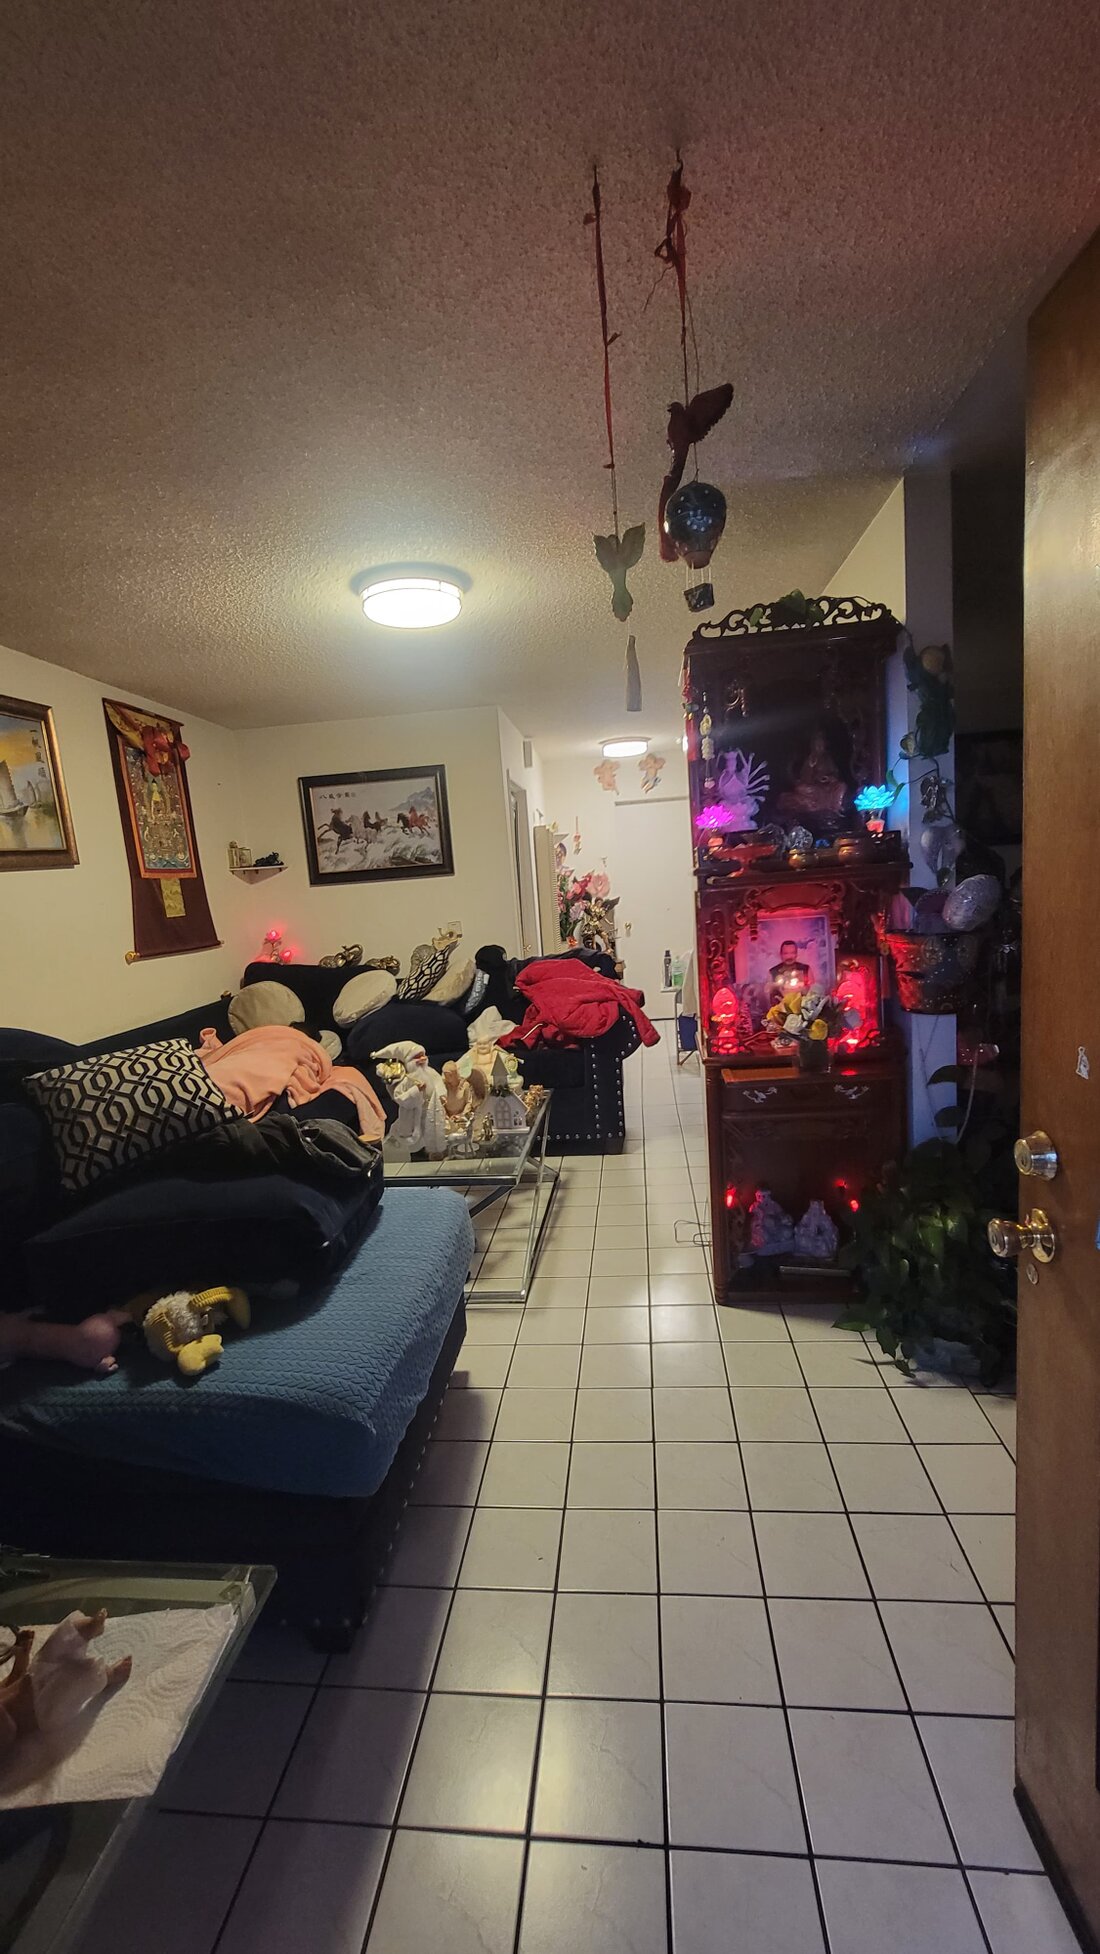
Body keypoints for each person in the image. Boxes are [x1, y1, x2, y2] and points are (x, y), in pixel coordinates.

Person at [768, 938, 811, 1003]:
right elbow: (768, 996)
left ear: (796, 954)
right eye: (786, 953)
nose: (789, 957)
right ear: (781, 954)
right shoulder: (772, 972)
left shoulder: (806, 969)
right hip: (779, 1008)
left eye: (792, 953)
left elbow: (813, 993)